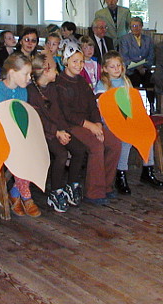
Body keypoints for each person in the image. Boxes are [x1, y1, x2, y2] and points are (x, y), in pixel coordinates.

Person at [56, 46, 121, 205]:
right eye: (75, 61)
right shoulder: (60, 83)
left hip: (89, 122)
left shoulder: (82, 81)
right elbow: (67, 114)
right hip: (71, 125)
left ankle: (106, 185)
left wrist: (98, 123)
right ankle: (94, 192)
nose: (79, 65)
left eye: (81, 61)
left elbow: (92, 105)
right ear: (66, 62)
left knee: (114, 143)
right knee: (96, 145)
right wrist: (90, 126)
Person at [95, 51, 163, 194]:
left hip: (128, 118)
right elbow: (102, 106)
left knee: (147, 133)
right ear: (105, 69)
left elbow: (133, 102)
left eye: (118, 66)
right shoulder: (103, 84)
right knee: (125, 139)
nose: (116, 69)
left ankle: (148, 170)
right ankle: (121, 174)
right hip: (111, 121)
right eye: (112, 66)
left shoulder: (126, 81)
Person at [27, 54, 86, 213]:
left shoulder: (52, 88)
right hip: (43, 133)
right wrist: (56, 132)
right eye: (54, 68)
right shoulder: (31, 92)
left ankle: (72, 184)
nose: (58, 72)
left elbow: (59, 113)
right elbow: (38, 119)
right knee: (61, 154)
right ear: (46, 71)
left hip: (58, 130)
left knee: (79, 150)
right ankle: (56, 191)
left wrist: (64, 130)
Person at [0, 54, 40, 217]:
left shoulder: (22, 91)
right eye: (25, 74)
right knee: (23, 153)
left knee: (34, 150)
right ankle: (25, 196)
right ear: (11, 72)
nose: (29, 78)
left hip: (14, 135)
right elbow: (0, 123)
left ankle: (16, 192)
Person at [118, 17, 155, 108]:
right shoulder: (125, 39)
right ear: (130, 27)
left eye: (138, 26)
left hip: (145, 68)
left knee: (151, 81)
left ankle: (152, 105)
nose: (136, 28)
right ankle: (134, 106)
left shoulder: (148, 39)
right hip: (131, 69)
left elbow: (151, 56)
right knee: (134, 81)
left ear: (142, 26)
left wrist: (143, 66)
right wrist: (137, 67)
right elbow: (124, 57)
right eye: (133, 26)